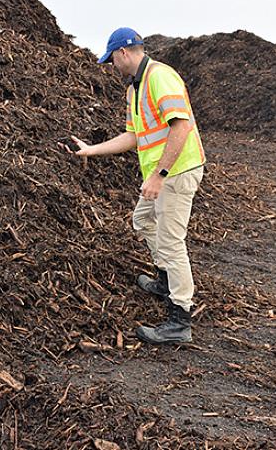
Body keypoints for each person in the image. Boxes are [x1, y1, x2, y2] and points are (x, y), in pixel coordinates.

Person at [70, 27, 205, 345]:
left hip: (177, 171)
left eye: (112, 60)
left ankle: (179, 319)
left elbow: (181, 126)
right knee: (142, 220)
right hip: (161, 174)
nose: (112, 67)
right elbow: (133, 137)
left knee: (172, 243)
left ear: (123, 53)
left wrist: (159, 175)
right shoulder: (135, 89)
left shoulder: (160, 77)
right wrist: (91, 150)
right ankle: (165, 280)